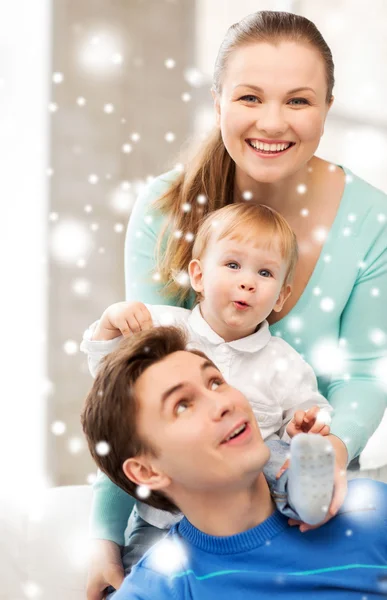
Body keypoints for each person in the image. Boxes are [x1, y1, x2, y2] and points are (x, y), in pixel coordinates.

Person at [86, 9, 387, 599]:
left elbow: (360, 375)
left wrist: (331, 447)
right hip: (188, 515)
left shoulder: (371, 220)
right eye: (249, 97)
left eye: (298, 101)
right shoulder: (165, 207)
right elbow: (134, 385)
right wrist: (104, 533)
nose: (272, 123)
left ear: (328, 105)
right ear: (218, 98)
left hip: (307, 496)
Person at [82, 201, 338, 572]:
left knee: (279, 454)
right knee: (145, 569)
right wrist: (111, 322)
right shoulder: (162, 326)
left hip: (246, 502)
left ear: (281, 296)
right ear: (198, 276)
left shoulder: (285, 363)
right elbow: (110, 381)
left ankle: (307, 501)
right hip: (165, 514)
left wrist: (306, 426)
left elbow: (312, 408)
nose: (247, 281)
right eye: (233, 265)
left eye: (265, 273)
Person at [81, 326, 387, 599]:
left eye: (215, 383)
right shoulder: (157, 589)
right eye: (183, 405)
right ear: (147, 471)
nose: (224, 403)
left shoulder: (369, 509)